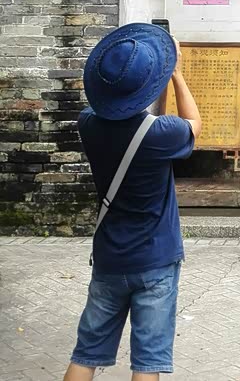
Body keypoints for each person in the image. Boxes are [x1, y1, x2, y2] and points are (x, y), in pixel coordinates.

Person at [63, 23, 202, 381]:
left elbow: (98, 111)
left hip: (109, 258)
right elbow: (194, 123)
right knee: (148, 361)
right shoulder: (161, 134)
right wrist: (177, 74)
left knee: (86, 354)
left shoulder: (87, 125)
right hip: (155, 260)